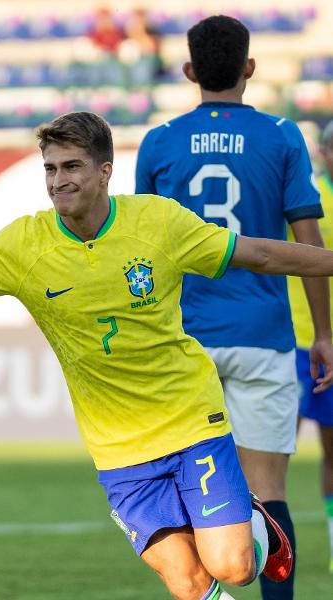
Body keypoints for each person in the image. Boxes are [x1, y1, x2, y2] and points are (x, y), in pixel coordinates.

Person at [0, 112, 333, 600]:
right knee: (188, 584)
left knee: (233, 568)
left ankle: (260, 528)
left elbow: (261, 256)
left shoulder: (158, 223)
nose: (60, 181)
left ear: (105, 171)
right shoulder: (22, 245)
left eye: (72, 166)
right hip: (118, 447)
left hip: (190, 421)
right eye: (51, 169)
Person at [135, 15, 333, 600]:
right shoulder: (282, 136)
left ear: (190, 71)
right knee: (269, 493)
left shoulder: (160, 141)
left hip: (185, 340)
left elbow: (141, 251)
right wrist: (324, 332)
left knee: (188, 493)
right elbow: (307, 246)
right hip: (263, 336)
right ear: (249, 68)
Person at [288, 120, 333, 574]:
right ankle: (259, 540)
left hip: (328, 346)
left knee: (332, 450)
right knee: (272, 449)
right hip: (295, 342)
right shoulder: (306, 199)